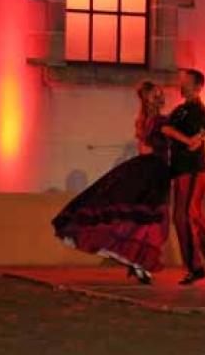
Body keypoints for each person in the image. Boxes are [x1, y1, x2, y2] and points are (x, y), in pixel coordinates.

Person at [52, 82, 170, 285]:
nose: (158, 98)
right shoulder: (158, 121)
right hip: (153, 171)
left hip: (151, 170)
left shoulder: (146, 120)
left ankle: (136, 261)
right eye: (155, 95)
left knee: (141, 218)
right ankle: (136, 261)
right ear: (150, 99)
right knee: (146, 219)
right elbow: (146, 149)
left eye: (158, 94)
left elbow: (144, 148)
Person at [161, 69, 205, 286]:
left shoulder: (201, 112)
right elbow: (164, 127)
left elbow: (195, 142)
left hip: (194, 169)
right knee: (185, 217)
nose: (181, 85)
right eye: (181, 81)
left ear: (198, 86)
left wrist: (175, 133)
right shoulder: (180, 110)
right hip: (181, 169)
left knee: (188, 214)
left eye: (186, 82)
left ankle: (204, 266)